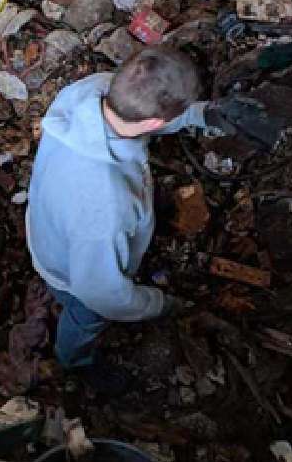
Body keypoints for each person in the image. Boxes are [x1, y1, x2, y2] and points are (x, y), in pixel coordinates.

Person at [26, 46, 243, 393]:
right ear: (156, 123)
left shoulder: (91, 91)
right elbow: (101, 294)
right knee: (84, 320)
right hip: (71, 274)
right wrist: (158, 303)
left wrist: (203, 116)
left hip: (51, 226)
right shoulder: (105, 206)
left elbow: (143, 116)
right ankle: (74, 363)